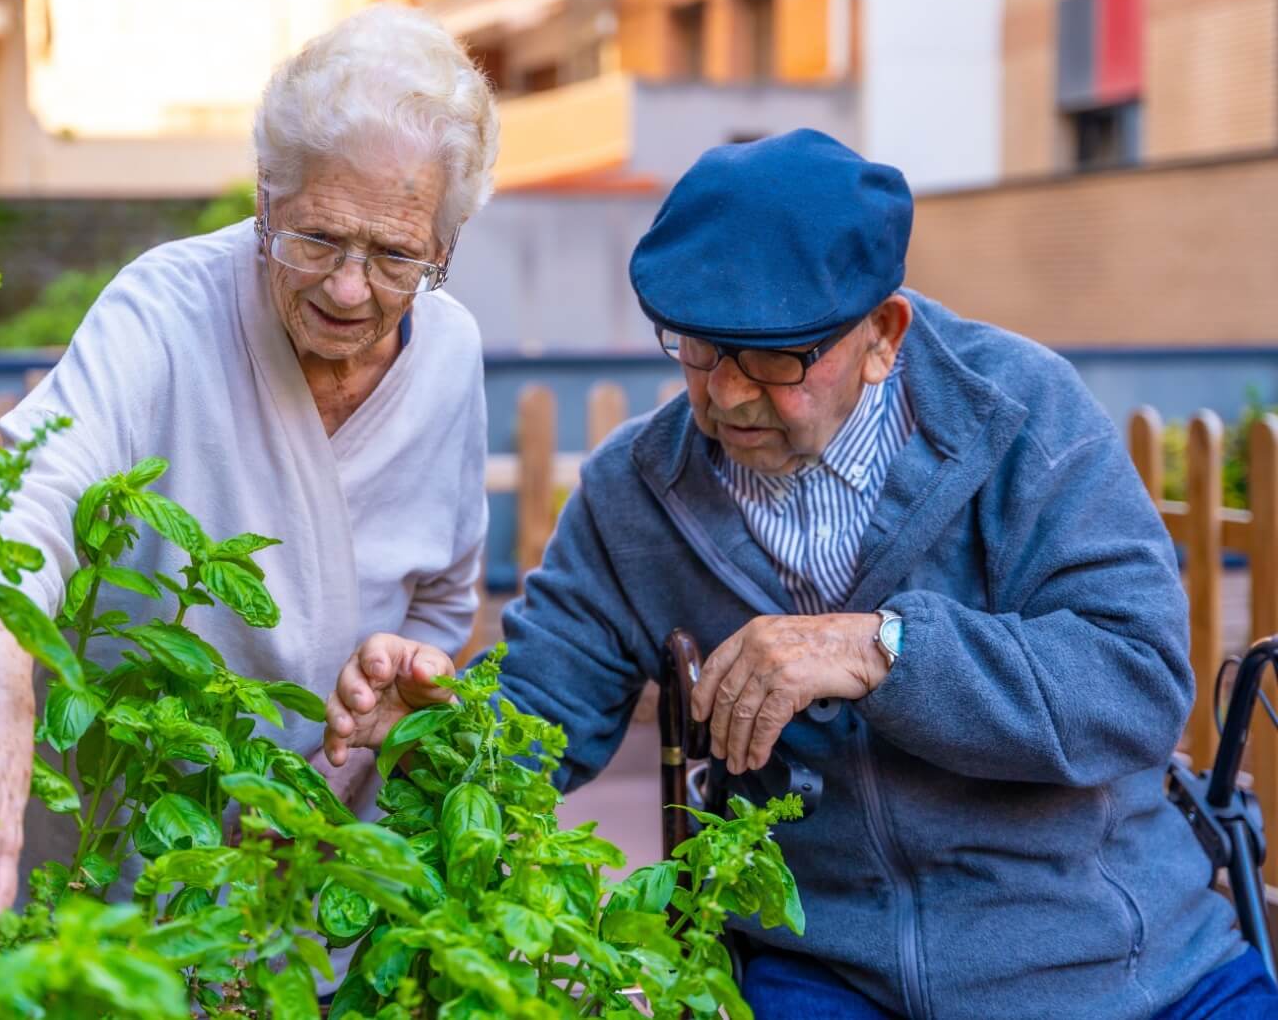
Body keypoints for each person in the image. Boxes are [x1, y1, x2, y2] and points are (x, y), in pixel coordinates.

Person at [323, 129, 1278, 1018]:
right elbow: (541, 714)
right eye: (697, 347)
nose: (728, 393)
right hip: (823, 969)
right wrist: (443, 728)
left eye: (778, 359)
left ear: (885, 335)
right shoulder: (636, 491)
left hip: (1113, 963)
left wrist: (879, 647)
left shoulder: (1022, 417)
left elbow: (1137, 681)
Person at [0, 3, 499, 926]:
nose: (348, 288)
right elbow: (20, 500)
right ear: (265, 197)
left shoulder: (452, 354)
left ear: (443, 249)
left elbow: (445, 593)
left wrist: (396, 689)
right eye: (316, 238)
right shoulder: (166, 311)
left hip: (315, 857)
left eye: (393, 256)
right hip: (114, 839)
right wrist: (0, 712)